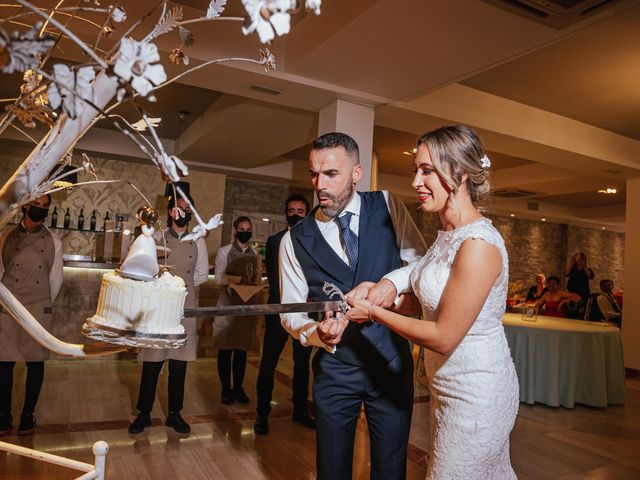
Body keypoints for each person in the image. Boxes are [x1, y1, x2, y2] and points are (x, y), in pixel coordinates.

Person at [344, 125, 519, 479]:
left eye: (428, 170)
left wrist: (374, 312)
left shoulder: (478, 245)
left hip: (478, 393)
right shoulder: (446, 238)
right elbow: (421, 291)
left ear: (461, 174)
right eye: (416, 171)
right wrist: (381, 288)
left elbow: (442, 336)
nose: (416, 182)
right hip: (446, 388)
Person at [279, 132, 426, 479]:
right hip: (336, 371)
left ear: (356, 173)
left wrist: (392, 285)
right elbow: (290, 314)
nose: (319, 185)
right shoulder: (293, 240)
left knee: (391, 468)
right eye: (314, 174)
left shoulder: (388, 206)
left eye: (331, 174)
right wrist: (317, 333)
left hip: (390, 363)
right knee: (331, 469)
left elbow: (419, 267)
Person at [129, 193, 209, 435]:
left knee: (179, 364)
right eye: (178, 207)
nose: (182, 212)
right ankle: (143, 413)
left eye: (187, 208)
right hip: (157, 308)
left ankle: (175, 414)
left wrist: (180, 288)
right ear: (171, 211)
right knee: (152, 362)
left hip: (184, 308)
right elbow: (141, 267)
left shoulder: (199, 240)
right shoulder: (155, 236)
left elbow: (201, 274)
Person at [0, 195, 62, 436]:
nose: (41, 209)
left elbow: (55, 280)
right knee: (4, 364)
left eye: (46, 206)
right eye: (38, 204)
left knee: (35, 363)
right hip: (9, 307)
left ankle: (28, 414)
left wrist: (43, 304)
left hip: (37, 307)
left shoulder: (54, 241)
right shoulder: (5, 237)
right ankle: (3, 414)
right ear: (26, 205)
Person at [254, 194, 315, 435]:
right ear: (285, 213)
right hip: (278, 311)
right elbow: (275, 277)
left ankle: (300, 411)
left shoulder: (314, 242)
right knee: (268, 363)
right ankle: (261, 415)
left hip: (305, 314)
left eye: (301, 210)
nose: (296, 214)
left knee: (302, 365)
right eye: (292, 210)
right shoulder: (274, 241)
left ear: (307, 212)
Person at [214, 216, 263, 405]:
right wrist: (238, 280)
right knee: (225, 350)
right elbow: (218, 278)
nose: (245, 232)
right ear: (235, 230)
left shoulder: (256, 254)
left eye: (248, 229)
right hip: (227, 305)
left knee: (241, 350)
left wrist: (254, 285)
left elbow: (258, 278)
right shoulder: (224, 252)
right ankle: (225, 389)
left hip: (246, 305)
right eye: (242, 228)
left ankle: (238, 388)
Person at [565, 252, 594, 318]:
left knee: (581, 312)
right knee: (570, 311)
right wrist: (571, 262)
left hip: (583, 293)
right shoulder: (572, 268)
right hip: (571, 292)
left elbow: (590, 276)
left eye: (579, 257)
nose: (577, 259)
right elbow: (566, 273)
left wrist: (583, 265)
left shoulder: (587, 269)